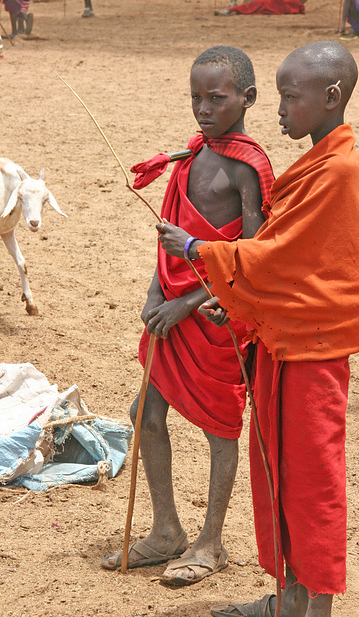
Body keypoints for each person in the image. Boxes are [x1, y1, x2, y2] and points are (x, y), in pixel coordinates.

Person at [157, 40, 359, 616]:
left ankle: (317, 610)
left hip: (314, 356)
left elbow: (280, 258)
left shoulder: (339, 170)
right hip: (281, 342)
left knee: (312, 485)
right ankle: (289, 599)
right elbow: (292, 265)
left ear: (331, 96)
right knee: (277, 476)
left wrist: (197, 250)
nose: (281, 110)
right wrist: (240, 302)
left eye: (291, 97)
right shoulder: (312, 166)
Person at [102, 45, 275, 587]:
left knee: (220, 427)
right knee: (144, 414)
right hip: (169, 315)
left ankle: (211, 541)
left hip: (215, 317)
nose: (203, 108)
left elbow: (250, 257)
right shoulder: (191, 157)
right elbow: (168, 243)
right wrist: (157, 294)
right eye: (196, 97)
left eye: (216, 98)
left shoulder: (250, 168)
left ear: (247, 99)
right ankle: (166, 530)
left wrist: (186, 303)